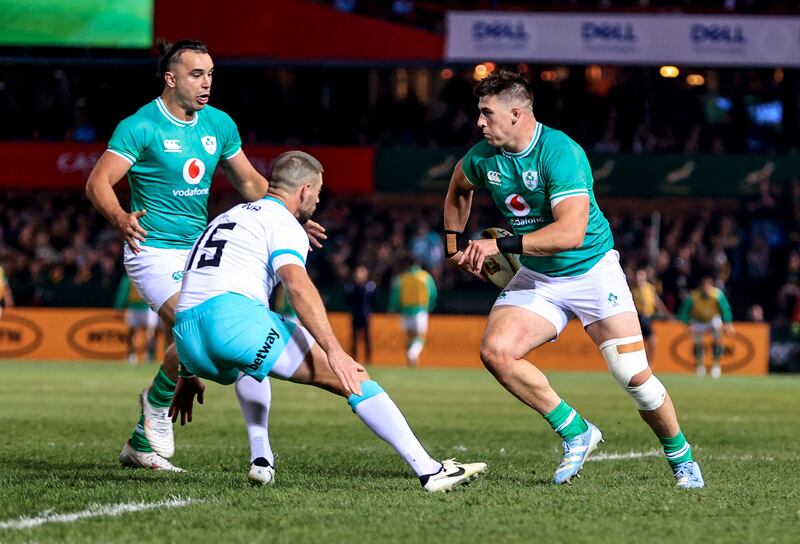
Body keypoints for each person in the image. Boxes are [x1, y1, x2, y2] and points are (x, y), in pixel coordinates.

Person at [443, 71, 704, 488]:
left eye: (486, 113)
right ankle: (576, 431)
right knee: (496, 351)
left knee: (634, 377)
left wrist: (499, 245)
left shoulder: (560, 153)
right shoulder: (482, 157)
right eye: (479, 113)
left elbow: (569, 235)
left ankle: (682, 458)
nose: (479, 122)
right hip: (538, 277)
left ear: (516, 113)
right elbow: (459, 186)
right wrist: (454, 246)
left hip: (592, 272)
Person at [172, 151, 486, 490]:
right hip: (233, 323)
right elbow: (297, 285)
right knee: (352, 377)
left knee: (253, 363)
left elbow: (197, 289)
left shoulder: (227, 216)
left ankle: (261, 458)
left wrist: (186, 372)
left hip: (186, 339)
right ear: (304, 191)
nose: (318, 202)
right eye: (318, 194)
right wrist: (334, 350)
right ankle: (431, 471)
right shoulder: (283, 222)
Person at [86, 40, 325, 472]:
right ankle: (157, 406)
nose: (207, 83)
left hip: (199, 252)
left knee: (209, 352)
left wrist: (286, 218)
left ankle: (143, 439)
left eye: (211, 74)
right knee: (197, 327)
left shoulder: (218, 123)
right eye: (197, 75)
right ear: (171, 79)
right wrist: (121, 217)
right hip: (153, 250)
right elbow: (98, 182)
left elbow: (252, 183)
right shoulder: (140, 126)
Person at [677, 276, 734, 378]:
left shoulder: (718, 295)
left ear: (711, 286)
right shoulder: (694, 296)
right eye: (704, 286)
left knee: (717, 340)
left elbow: (725, 309)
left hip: (713, 319)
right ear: (701, 287)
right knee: (698, 343)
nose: (706, 289)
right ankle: (700, 366)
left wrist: (728, 323)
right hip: (698, 321)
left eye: (708, 286)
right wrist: (687, 324)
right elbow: (684, 311)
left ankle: (716, 366)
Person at [388, 259, 437, 367]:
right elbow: (433, 293)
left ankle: (410, 361)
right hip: (420, 311)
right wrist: (431, 306)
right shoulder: (425, 277)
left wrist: (392, 308)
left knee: (409, 337)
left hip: (405, 312)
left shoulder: (401, 278)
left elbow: (395, 294)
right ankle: (413, 354)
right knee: (420, 337)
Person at [114, 273, 160, 364]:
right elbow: (124, 291)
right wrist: (119, 305)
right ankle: (136, 356)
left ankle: (145, 356)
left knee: (144, 333)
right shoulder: (130, 278)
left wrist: (119, 306)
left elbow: (123, 292)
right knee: (138, 333)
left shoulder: (145, 275)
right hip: (136, 308)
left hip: (146, 308)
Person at [630, 268, 671, 367]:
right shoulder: (632, 290)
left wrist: (665, 312)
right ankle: (642, 364)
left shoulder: (650, 288)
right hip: (637, 317)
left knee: (651, 341)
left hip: (648, 318)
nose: (638, 278)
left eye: (641, 276)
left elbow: (656, 301)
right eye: (637, 276)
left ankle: (649, 363)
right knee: (642, 342)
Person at [344, 265, 376, 364]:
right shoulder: (351, 286)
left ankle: (368, 360)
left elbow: (374, 301)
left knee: (367, 339)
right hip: (355, 314)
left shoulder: (370, 286)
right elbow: (347, 300)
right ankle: (354, 359)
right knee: (354, 339)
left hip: (365, 315)